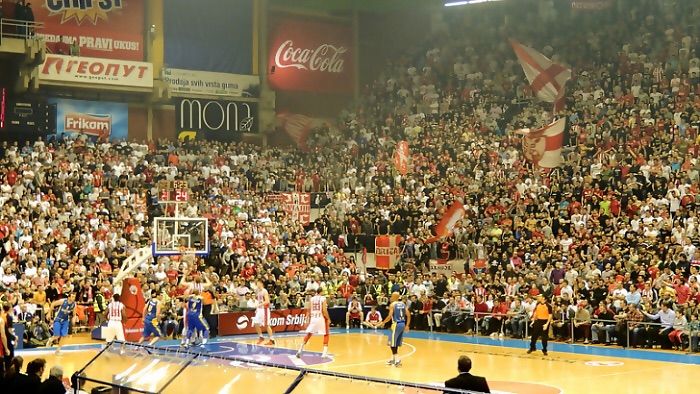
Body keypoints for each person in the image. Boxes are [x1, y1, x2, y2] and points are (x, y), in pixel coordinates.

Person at [376, 292, 410, 367]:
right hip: (402, 324)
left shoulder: (392, 305)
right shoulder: (403, 304)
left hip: (396, 324)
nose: (390, 297)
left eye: (391, 296)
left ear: (395, 297)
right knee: (396, 343)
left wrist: (383, 322)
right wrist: (407, 325)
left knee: (392, 343)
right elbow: (408, 315)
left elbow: (389, 316)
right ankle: (393, 359)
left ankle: (397, 360)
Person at [296, 288, 330, 358]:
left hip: (314, 318)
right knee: (326, 334)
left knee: (309, 334)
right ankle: (324, 353)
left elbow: (309, 310)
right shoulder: (323, 298)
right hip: (321, 318)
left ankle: (300, 350)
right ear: (321, 292)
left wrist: (307, 319)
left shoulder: (312, 299)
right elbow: (324, 310)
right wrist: (328, 318)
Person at [253, 280, 275, 345]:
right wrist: (257, 308)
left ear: (261, 284)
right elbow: (259, 301)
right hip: (260, 309)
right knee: (256, 323)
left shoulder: (264, 291)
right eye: (256, 283)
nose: (257, 284)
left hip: (264, 309)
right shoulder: (258, 291)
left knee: (266, 325)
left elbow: (267, 301)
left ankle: (272, 339)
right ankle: (261, 337)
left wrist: (259, 305)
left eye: (258, 283)